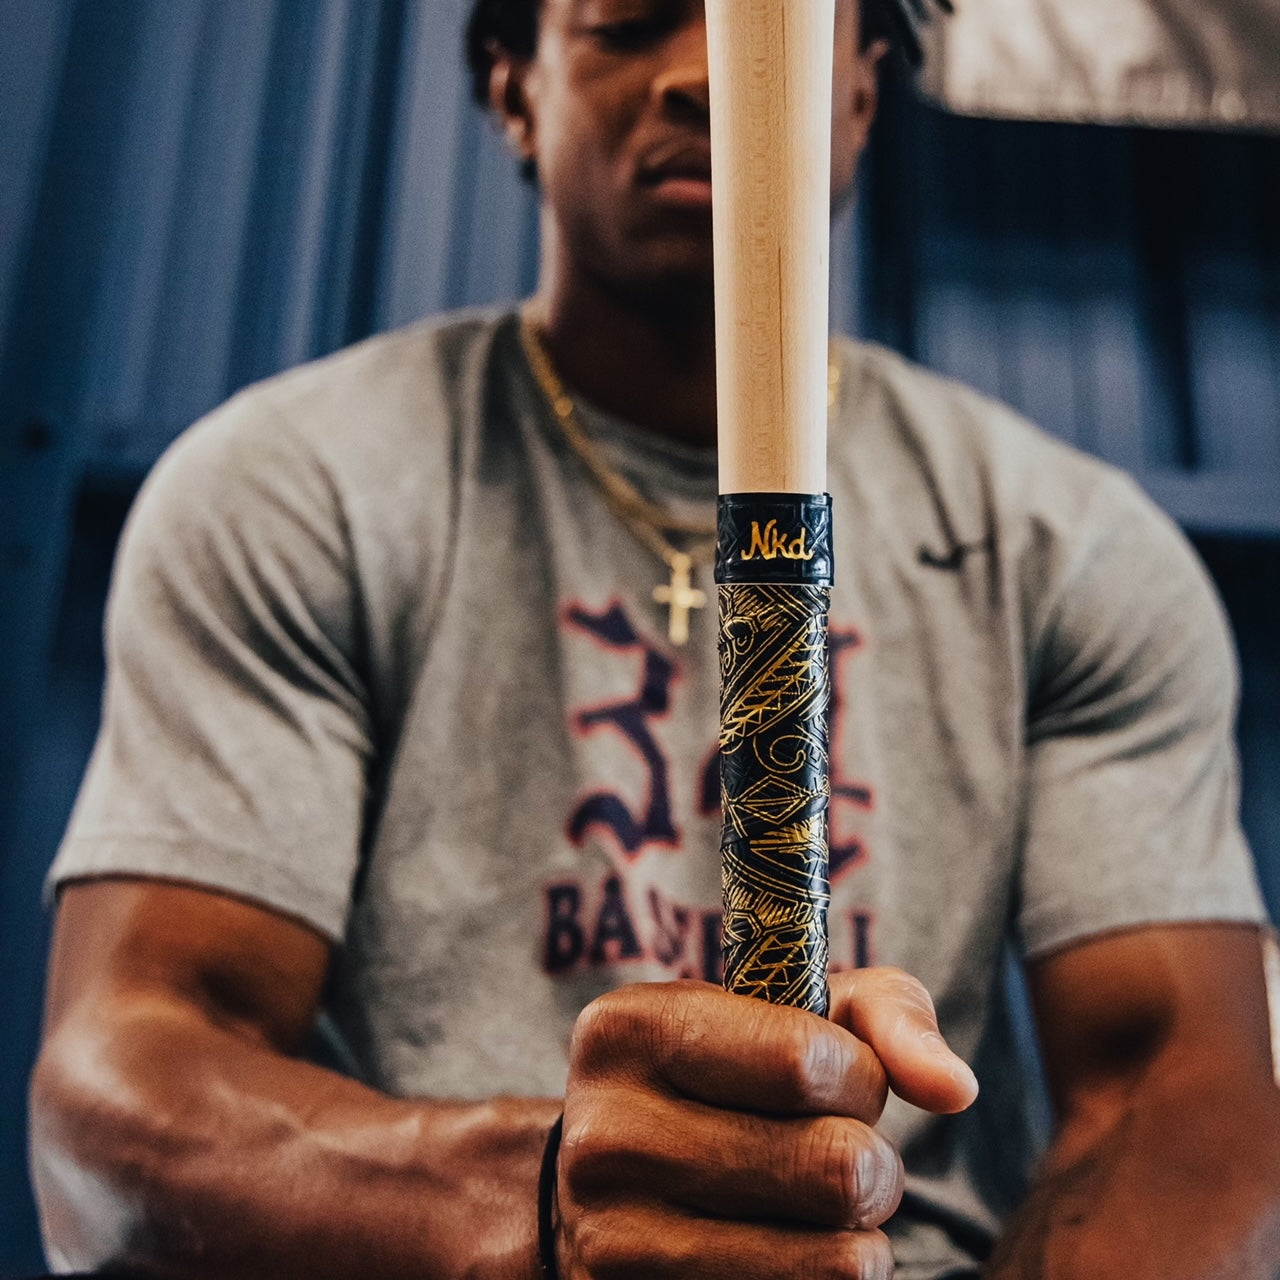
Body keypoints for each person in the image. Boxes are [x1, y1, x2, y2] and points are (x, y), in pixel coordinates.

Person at [29, 1, 1280, 1277]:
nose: (703, 75)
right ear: (515, 88)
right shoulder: (291, 489)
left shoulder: (1068, 544)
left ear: (856, 93)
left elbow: (1177, 1093)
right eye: (627, 22)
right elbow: (122, 1083)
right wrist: (540, 1198)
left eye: (778, 40)